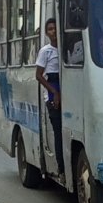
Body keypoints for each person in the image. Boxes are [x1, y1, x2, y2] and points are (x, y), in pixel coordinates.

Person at [35, 18, 64, 179]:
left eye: (55, 28)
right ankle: (61, 169)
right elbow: (38, 75)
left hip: (66, 89)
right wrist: (54, 92)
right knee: (59, 132)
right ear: (47, 33)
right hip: (53, 92)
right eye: (50, 29)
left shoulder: (68, 48)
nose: (53, 32)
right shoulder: (45, 51)